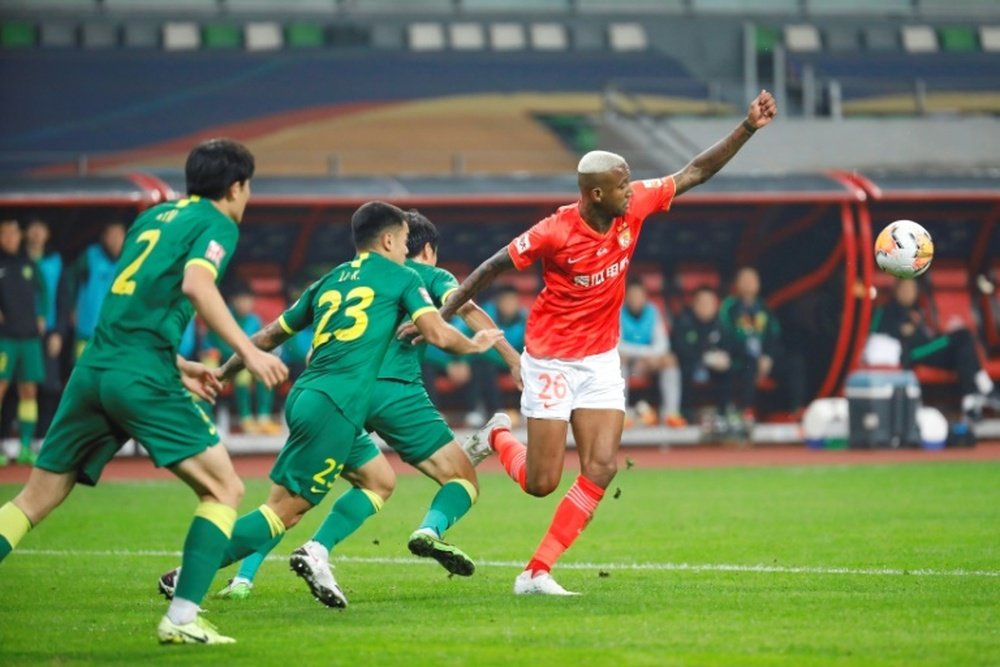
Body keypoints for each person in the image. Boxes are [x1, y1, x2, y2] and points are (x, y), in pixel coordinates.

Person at [433, 90, 777, 595]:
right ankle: (497, 437)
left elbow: (694, 172)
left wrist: (747, 127)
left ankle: (537, 571)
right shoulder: (555, 231)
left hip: (598, 359)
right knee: (541, 482)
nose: (630, 188)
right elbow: (490, 268)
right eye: (621, 183)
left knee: (602, 465)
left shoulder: (632, 204)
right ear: (596, 194)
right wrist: (436, 318)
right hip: (550, 360)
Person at [0, 139, 290, 646]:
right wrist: (249, 350)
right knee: (224, 489)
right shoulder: (217, 222)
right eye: (249, 187)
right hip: (137, 374)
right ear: (237, 186)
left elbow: (129, 303)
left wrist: (178, 364)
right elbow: (198, 286)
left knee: (35, 497)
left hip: (96, 366)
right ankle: (181, 618)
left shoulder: (152, 219)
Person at [156, 201, 502, 609]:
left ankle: (313, 552)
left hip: (312, 396)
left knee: (378, 480)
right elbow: (439, 334)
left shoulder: (329, 280)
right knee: (282, 512)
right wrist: (474, 344)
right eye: (404, 240)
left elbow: (269, 334)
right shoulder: (402, 277)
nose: (406, 249)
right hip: (335, 407)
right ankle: (186, 575)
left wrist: (223, 374)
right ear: (389, 239)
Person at [871, 278, 998, 420]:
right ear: (897, 290)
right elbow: (879, 335)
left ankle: (970, 402)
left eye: (912, 289)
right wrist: (902, 331)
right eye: (905, 289)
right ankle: (984, 385)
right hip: (915, 353)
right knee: (963, 336)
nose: (909, 293)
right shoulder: (890, 310)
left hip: (929, 349)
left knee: (963, 350)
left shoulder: (917, 309)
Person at [719, 266, 804, 430]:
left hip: (764, 361)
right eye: (745, 280)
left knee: (795, 361)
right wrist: (751, 355)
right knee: (750, 363)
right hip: (740, 360)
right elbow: (726, 337)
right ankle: (746, 411)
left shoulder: (764, 308)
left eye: (752, 280)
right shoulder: (729, 307)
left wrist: (768, 357)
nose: (749, 284)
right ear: (737, 284)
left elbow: (774, 336)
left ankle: (796, 410)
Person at [202, 283, 281, 435]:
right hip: (217, 358)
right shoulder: (223, 316)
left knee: (265, 369)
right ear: (233, 301)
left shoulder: (254, 320)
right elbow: (223, 346)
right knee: (239, 370)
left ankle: (263, 417)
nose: (245, 304)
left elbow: (261, 345)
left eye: (248, 300)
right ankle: (219, 418)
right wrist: (247, 356)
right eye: (241, 300)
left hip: (242, 359)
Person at [0, 219, 47, 466]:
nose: (10, 238)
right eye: (5, 234)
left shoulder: (28, 264)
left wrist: (42, 316)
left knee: (29, 390)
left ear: (19, 236)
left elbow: (45, 291)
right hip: (5, 338)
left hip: (29, 338)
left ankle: (26, 447)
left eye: (13, 233)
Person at [619, 278, 684, 427]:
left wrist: (649, 358)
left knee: (670, 360)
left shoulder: (653, 311)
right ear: (626, 296)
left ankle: (671, 414)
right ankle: (622, 414)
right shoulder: (618, 311)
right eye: (632, 295)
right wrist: (642, 354)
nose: (635, 299)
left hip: (649, 362)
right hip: (628, 360)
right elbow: (617, 344)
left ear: (645, 297)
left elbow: (663, 343)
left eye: (639, 295)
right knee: (619, 359)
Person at [24, 218, 64, 440]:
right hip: (18, 333)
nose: (37, 233)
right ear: (25, 232)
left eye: (42, 227)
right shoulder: (16, 260)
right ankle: (14, 440)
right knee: (18, 387)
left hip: (48, 332)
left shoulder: (55, 260)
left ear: (48, 233)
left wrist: (58, 331)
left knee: (49, 386)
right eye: (33, 227)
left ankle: (43, 437)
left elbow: (62, 299)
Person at [464, 284, 527, 425]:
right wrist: (508, 358)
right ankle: (492, 410)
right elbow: (477, 345)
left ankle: (527, 410)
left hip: (513, 360)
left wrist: (517, 361)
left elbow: (526, 347)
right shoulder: (485, 315)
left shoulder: (524, 318)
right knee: (481, 365)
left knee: (530, 366)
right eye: (506, 301)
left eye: (513, 302)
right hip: (490, 359)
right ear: (498, 302)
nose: (509, 305)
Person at [671, 285, 732, 426]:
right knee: (686, 368)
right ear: (694, 303)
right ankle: (685, 414)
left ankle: (723, 413)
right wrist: (704, 358)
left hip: (712, 369)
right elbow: (680, 348)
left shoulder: (720, 323)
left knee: (727, 368)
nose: (705, 306)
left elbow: (728, 347)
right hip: (690, 365)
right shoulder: (684, 321)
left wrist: (721, 358)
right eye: (702, 302)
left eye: (709, 303)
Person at [64, 221, 126, 358]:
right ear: (103, 237)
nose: (115, 240)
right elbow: (69, 280)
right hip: (86, 330)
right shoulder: (90, 256)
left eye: (119, 235)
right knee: (81, 372)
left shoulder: (130, 259)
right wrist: (71, 307)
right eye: (112, 235)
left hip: (115, 333)